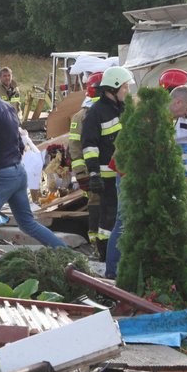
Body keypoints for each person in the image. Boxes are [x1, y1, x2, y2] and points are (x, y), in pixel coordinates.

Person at [105, 84, 187, 278]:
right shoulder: (151, 116)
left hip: (137, 174)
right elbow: (139, 151)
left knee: (133, 223)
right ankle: (113, 273)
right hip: (129, 174)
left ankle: (128, 271)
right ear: (177, 102)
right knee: (124, 222)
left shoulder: (163, 117)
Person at [0, 77, 66, 253]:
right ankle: (65, 252)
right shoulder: (7, 107)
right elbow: (20, 143)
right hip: (18, 172)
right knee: (27, 223)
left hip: (1, 175)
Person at [81, 66, 132, 261]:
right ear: (113, 88)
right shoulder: (96, 113)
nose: (127, 91)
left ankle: (115, 252)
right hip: (106, 174)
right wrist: (94, 173)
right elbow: (89, 146)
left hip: (122, 174)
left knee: (119, 215)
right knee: (109, 215)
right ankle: (105, 252)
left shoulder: (122, 108)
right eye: (125, 87)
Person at [67, 71, 103, 248]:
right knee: (96, 206)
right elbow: (75, 147)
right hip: (92, 171)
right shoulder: (81, 116)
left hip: (105, 171)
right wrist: (82, 174)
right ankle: (96, 245)